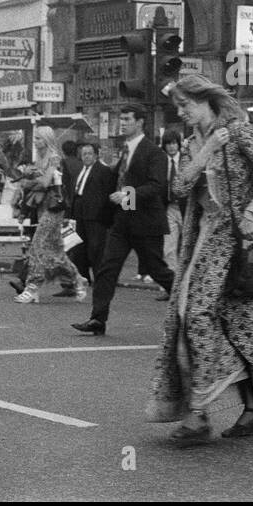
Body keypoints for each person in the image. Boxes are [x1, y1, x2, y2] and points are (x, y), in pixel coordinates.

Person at [147, 74, 253, 444]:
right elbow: (178, 189)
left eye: (185, 104)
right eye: (177, 107)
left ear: (206, 101)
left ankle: (198, 414)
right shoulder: (193, 143)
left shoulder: (238, 131)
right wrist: (204, 154)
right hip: (199, 240)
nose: (181, 112)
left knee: (198, 314)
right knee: (219, 323)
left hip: (232, 240)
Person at [72, 104, 174, 335]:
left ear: (140, 122)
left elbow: (157, 186)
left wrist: (128, 195)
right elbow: (115, 179)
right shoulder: (125, 151)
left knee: (158, 270)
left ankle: (189, 301)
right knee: (106, 269)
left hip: (146, 223)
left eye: (127, 119)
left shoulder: (154, 153)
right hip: (123, 222)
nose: (123, 123)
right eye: (122, 119)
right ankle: (97, 319)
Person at [12, 126, 81, 303]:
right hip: (41, 207)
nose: (35, 142)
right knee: (56, 250)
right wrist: (30, 180)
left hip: (54, 207)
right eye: (35, 138)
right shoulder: (39, 159)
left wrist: (30, 180)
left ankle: (32, 287)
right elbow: (31, 184)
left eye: (39, 139)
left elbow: (44, 182)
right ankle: (77, 279)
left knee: (37, 244)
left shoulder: (54, 158)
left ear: (47, 140)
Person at [68, 141, 115, 287]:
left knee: (96, 248)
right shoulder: (79, 170)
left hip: (95, 214)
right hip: (79, 212)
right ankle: (83, 277)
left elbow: (108, 191)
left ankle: (100, 278)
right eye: (84, 154)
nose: (86, 156)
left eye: (89, 153)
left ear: (95, 155)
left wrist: (105, 214)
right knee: (79, 247)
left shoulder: (103, 170)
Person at [161, 132, 190, 278]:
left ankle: (187, 279)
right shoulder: (161, 162)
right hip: (169, 207)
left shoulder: (186, 160)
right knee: (169, 246)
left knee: (187, 244)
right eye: (168, 143)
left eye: (174, 143)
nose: (171, 147)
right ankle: (172, 282)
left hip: (187, 207)